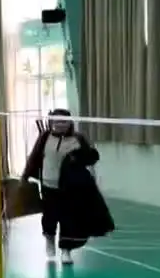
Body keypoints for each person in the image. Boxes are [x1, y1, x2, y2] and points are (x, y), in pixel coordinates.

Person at [22, 108, 114, 265]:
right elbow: (35, 157)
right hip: (48, 185)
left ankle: (66, 251)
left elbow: (91, 158)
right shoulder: (45, 137)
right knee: (50, 217)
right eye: (57, 121)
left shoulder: (78, 139)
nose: (60, 124)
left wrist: (77, 158)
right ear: (52, 122)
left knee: (68, 219)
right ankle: (49, 240)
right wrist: (25, 176)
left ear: (70, 122)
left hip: (70, 188)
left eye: (64, 121)